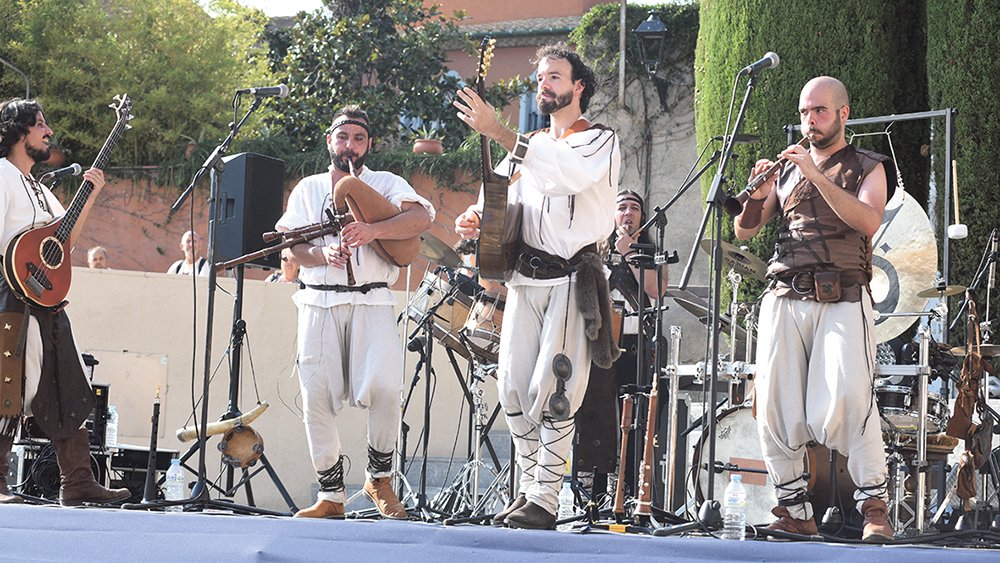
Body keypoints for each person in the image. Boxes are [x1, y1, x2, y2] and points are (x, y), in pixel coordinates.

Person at [453, 44, 621, 529]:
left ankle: (546, 499)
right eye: (541, 77)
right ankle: (530, 491)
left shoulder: (599, 141)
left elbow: (562, 174)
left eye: (554, 77)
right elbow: (501, 199)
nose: (544, 85)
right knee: (512, 389)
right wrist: (476, 217)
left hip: (572, 278)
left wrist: (500, 131)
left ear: (578, 87)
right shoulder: (523, 147)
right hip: (526, 280)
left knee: (554, 389)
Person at [733, 76, 894, 542]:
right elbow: (745, 230)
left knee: (848, 398)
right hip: (785, 294)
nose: (811, 121)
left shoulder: (868, 165)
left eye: (820, 111)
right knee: (774, 408)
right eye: (805, 112)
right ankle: (796, 509)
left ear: (844, 114)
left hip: (842, 294)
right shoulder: (786, 172)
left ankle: (874, 507)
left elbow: (867, 221)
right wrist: (759, 193)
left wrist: (815, 173)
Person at [277, 105, 434, 520]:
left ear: (369, 145)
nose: (350, 146)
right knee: (316, 396)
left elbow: (420, 217)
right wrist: (319, 254)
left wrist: (373, 231)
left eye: (358, 139)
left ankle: (379, 479)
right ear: (330, 140)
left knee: (385, 387)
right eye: (343, 137)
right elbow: (291, 245)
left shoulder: (385, 183)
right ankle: (331, 497)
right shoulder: (308, 188)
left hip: (372, 299)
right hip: (318, 300)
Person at [0, 98, 131, 505]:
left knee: (68, 383)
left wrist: (89, 194)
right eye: (40, 125)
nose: (48, 132)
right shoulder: (1, 176)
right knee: (9, 384)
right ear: (18, 131)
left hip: (47, 300)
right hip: (10, 294)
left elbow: (63, 241)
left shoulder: (39, 189)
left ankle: (76, 482)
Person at [576, 189, 669, 499]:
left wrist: (630, 252)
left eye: (634, 208)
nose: (628, 213)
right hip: (601, 342)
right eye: (622, 207)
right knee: (596, 414)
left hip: (636, 344)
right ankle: (595, 493)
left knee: (636, 416)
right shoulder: (596, 247)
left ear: (642, 217)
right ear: (611, 214)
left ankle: (628, 490)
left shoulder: (651, 252)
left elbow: (656, 291)